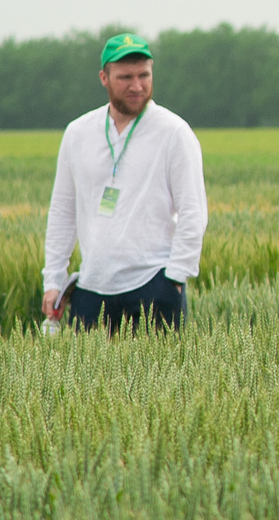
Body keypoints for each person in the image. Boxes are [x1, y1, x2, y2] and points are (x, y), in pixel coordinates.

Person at [42, 33, 208, 332]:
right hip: (91, 288)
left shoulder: (174, 133)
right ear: (104, 78)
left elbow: (193, 211)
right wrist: (53, 280)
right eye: (125, 77)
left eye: (144, 75)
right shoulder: (78, 133)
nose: (137, 86)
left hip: (154, 283)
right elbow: (63, 211)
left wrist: (176, 278)